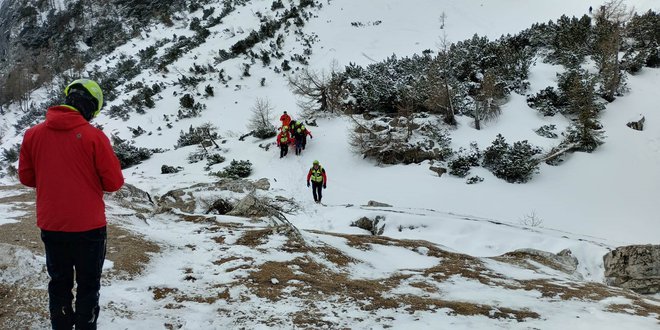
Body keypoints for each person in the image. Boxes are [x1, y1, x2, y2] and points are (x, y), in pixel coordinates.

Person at [18, 79, 124, 330]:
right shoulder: (94, 137)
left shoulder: (33, 134)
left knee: (59, 283)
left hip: (52, 225)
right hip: (89, 228)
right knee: (88, 284)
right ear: (90, 107)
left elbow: (26, 177)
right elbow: (113, 183)